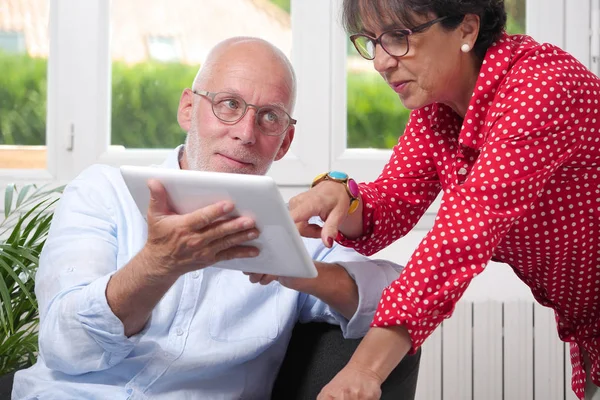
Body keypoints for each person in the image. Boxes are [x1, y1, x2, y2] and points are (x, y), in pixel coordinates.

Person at [12, 37, 406, 399]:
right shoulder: (103, 191)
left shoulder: (294, 230)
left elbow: (403, 293)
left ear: (285, 142)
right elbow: (66, 347)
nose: (246, 133)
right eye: (229, 104)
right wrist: (157, 265)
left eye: (269, 117)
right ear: (188, 108)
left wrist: (295, 267)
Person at [288, 1, 600, 399]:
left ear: (467, 30)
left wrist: (366, 369)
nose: (381, 62)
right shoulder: (439, 108)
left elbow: (459, 240)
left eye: (399, 37)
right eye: (372, 41)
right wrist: (339, 195)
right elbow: (394, 201)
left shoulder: (540, 87)